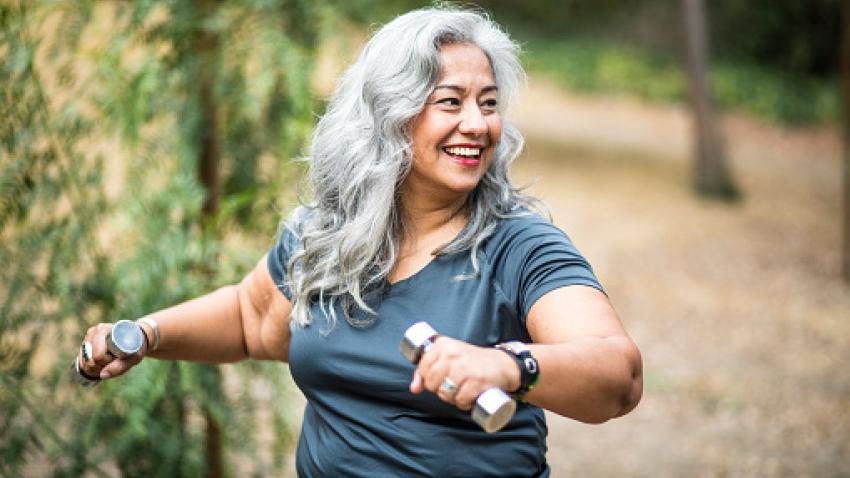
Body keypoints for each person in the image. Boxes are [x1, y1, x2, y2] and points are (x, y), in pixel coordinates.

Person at [75, 6, 642, 477]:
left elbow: (619, 376)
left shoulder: (520, 246)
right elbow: (253, 319)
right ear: (390, 116)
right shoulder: (327, 232)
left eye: (488, 103)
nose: (478, 123)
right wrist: (146, 334)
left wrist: (510, 367)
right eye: (451, 101)